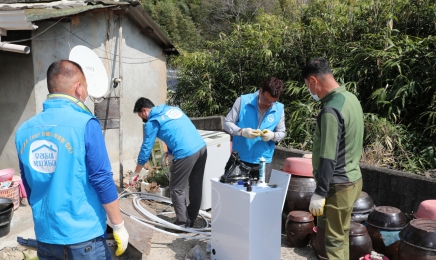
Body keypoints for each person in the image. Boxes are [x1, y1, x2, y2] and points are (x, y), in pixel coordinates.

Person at [15, 60, 129, 260]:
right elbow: (102, 178)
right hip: (84, 238)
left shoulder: (24, 130)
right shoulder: (85, 124)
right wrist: (118, 225)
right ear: (78, 88)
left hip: (46, 237)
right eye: (85, 88)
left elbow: (27, 183)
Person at [303, 58, 364, 260]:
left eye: (307, 86)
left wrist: (320, 192)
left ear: (313, 81)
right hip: (353, 179)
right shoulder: (351, 99)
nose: (310, 91)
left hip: (336, 185)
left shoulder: (330, 109)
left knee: (333, 243)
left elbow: (329, 156)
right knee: (340, 235)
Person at [133, 98, 207, 228]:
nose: (143, 120)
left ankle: (183, 223)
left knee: (176, 189)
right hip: (201, 147)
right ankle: (191, 218)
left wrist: (136, 172)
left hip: (185, 152)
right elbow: (177, 131)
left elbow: (146, 148)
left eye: (141, 117)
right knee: (196, 186)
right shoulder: (172, 109)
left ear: (144, 110)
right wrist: (171, 152)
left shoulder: (152, 121)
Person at [223, 77, 286, 182]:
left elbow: (282, 132)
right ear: (260, 91)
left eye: (272, 102)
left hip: (263, 162)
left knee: (260, 196)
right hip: (240, 159)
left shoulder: (279, 109)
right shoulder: (243, 101)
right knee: (235, 195)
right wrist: (241, 132)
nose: (268, 104)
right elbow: (227, 123)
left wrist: (273, 136)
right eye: (266, 99)